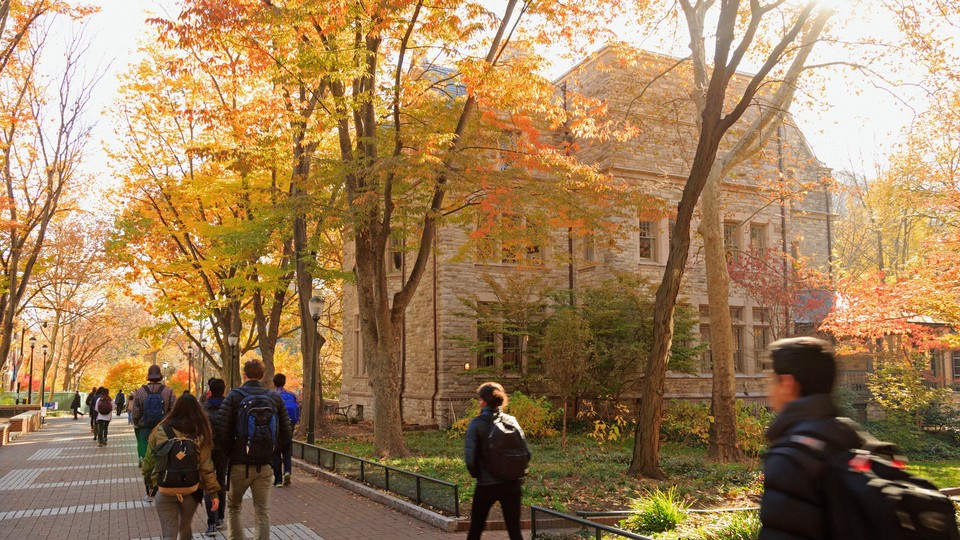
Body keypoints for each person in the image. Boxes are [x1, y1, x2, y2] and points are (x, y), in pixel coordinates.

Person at [758, 337, 863, 539]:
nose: (769, 389)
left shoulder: (791, 456)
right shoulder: (853, 437)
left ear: (787, 383)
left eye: (771, 380)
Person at [214, 360, 292, 540]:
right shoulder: (274, 397)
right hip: (265, 464)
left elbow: (221, 430)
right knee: (262, 510)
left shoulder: (234, 396)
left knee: (234, 508)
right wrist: (273, 452)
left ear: (244, 374)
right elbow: (286, 432)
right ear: (263, 376)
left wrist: (229, 454)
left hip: (239, 464)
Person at [142, 393, 221, 540]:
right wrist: (213, 493)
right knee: (184, 528)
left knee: (169, 533)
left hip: (165, 488)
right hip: (191, 489)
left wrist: (151, 483)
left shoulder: (160, 430)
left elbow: (149, 461)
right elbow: (206, 467)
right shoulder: (201, 432)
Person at [464, 382, 529, 540]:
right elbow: (527, 453)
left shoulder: (477, 424)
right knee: (514, 531)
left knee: (476, 529)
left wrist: (478, 474)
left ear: (483, 401)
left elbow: (470, 459)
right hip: (512, 484)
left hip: (487, 484)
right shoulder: (511, 421)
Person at [131, 364, 176, 501]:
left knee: (147, 460)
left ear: (148, 376)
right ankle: (161, 488)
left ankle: (149, 492)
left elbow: (135, 412)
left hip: (145, 429)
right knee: (163, 459)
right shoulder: (168, 391)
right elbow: (173, 411)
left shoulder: (140, 391)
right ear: (160, 376)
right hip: (163, 430)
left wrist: (138, 423)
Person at [202, 378, 227, 536]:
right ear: (224, 390)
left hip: (207, 450)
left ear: (210, 389)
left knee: (208, 483)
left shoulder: (203, 409)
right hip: (224, 451)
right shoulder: (229, 407)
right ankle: (220, 518)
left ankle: (212, 520)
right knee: (221, 481)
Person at [272, 373, 300, 488]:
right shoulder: (291, 395)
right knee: (287, 449)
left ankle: (278, 480)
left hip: (277, 426)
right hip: (289, 425)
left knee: (276, 452)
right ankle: (287, 471)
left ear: (274, 383)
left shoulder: (272, 395)